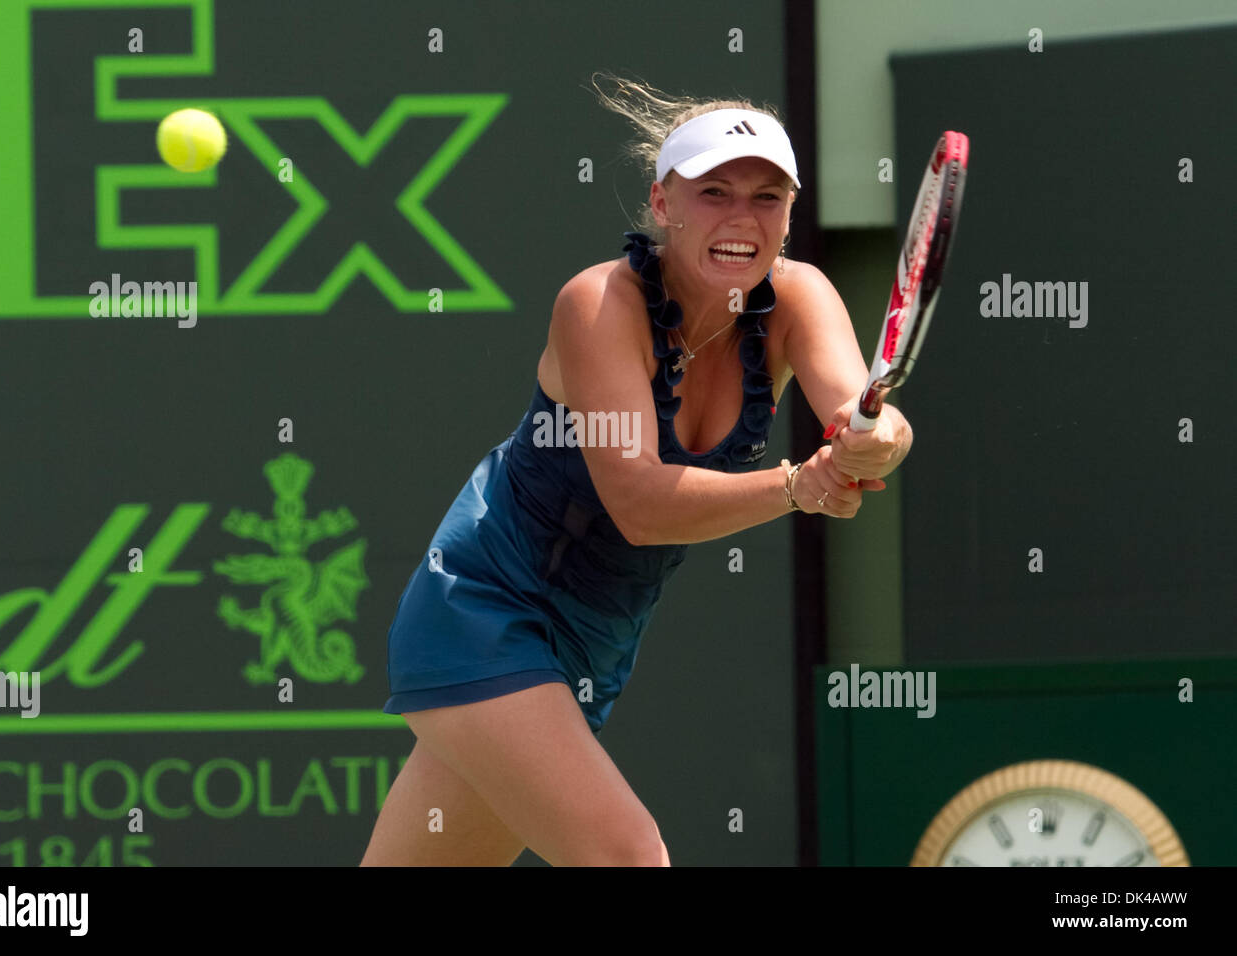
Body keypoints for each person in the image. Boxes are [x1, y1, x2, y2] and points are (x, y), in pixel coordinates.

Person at [360, 75, 912, 867]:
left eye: (766, 197)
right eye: (714, 192)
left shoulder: (801, 298)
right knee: (628, 857)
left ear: (789, 214)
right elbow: (641, 504)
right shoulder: (596, 306)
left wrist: (878, 437)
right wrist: (801, 485)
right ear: (662, 204)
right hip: (483, 610)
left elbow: (863, 414)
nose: (741, 218)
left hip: (592, 643)